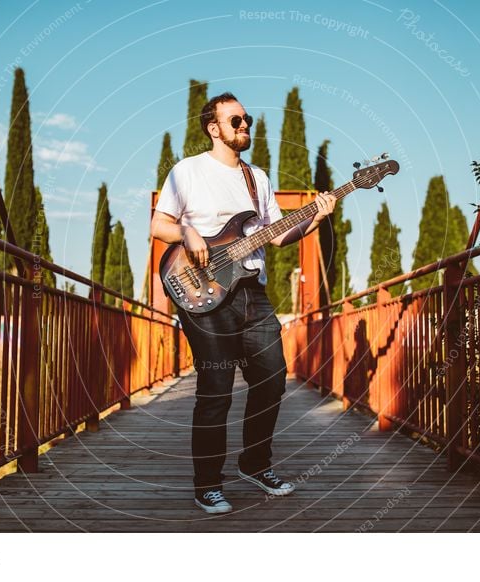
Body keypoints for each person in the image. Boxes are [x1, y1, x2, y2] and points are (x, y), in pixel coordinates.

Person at [151, 92, 336, 514]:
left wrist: (316, 217)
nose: (244, 126)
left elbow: (275, 234)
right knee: (216, 390)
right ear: (213, 128)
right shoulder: (188, 171)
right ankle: (208, 484)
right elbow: (158, 223)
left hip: (253, 292)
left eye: (247, 119)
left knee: (272, 381)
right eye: (234, 120)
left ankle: (255, 464)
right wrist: (188, 233)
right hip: (204, 292)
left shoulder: (259, 178)